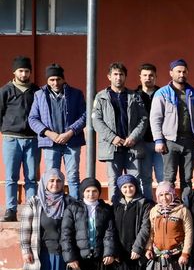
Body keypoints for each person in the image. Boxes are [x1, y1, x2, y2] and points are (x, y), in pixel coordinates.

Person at [19, 169, 75, 270]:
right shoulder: (35, 202)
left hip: (63, 253)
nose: (54, 184)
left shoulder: (69, 202)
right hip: (39, 254)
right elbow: (25, 228)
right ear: (44, 182)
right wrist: (25, 249)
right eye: (51, 181)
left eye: (58, 181)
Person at [132, 181, 193, 270]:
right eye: (161, 195)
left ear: (173, 194)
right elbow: (151, 232)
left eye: (167, 194)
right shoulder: (154, 211)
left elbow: (189, 232)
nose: (164, 198)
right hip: (158, 257)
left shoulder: (182, 210)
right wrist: (148, 248)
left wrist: (185, 253)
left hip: (177, 256)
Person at [92, 62, 150, 203]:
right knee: (114, 182)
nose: (118, 77)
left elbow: (143, 119)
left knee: (135, 182)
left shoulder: (134, 96)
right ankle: (116, 213)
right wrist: (113, 138)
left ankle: (135, 211)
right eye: (115, 74)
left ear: (125, 77)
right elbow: (96, 121)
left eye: (121, 75)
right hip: (112, 148)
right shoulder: (101, 97)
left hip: (132, 147)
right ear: (109, 77)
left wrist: (133, 137)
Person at [28, 63, 87, 199]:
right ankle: (52, 207)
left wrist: (70, 132)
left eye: (58, 79)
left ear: (63, 79)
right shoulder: (39, 95)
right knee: (52, 177)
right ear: (47, 80)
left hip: (72, 141)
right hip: (50, 143)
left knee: (73, 176)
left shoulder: (76, 94)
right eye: (52, 79)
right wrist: (50, 133)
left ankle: (74, 207)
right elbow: (33, 119)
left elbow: (84, 116)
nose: (55, 82)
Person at [150, 59, 194, 199]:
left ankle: (186, 210)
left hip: (190, 141)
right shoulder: (162, 93)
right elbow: (155, 118)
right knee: (169, 178)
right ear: (171, 73)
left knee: (187, 179)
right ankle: (169, 209)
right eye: (178, 71)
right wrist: (158, 140)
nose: (181, 74)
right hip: (170, 141)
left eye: (184, 71)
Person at [111, 175, 153, 270]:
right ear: (120, 190)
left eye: (131, 186)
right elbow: (112, 230)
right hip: (120, 253)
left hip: (136, 251)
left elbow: (145, 227)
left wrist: (137, 248)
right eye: (124, 187)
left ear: (136, 186)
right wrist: (114, 250)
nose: (128, 190)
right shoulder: (116, 206)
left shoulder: (144, 204)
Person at [1, 56, 38, 222]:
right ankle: (10, 209)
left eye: (26, 71)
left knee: (31, 177)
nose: (24, 74)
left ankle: (31, 210)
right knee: (11, 176)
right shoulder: (5, 90)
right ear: (14, 71)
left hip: (32, 139)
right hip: (11, 139)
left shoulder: (36, 91)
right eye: (21, 71)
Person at [135, 63, 161, 201]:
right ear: (140, 77)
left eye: (151, 75)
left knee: (163, 177)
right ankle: (149, 206)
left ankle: (164, 208)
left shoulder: (163, 94)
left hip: (160, 143)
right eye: (145, 75)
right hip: (142, 143)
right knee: (145, 178)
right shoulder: (134, 95)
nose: (148, 78)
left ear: (156, 77)